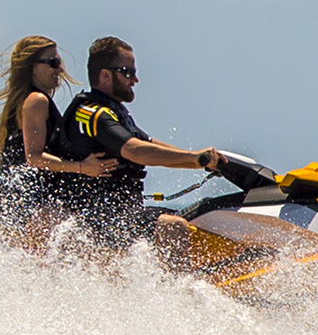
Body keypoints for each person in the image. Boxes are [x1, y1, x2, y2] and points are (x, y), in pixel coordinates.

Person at [60, 36, 223, 256]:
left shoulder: (114, 111)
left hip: (123, 214)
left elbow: (149, 144)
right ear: (105, 75)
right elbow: (134, 150)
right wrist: (195, 157)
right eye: (127, 72)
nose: (135, 79)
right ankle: (176, 291)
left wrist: (201, 161)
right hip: (99, 218)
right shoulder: (92, 113)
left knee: (204, 217)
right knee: (173, 227)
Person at [0, 35, 119, 246]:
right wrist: (83, 167)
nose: (60, 70)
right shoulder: (36, 101)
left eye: (60, 63)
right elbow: (34, 157)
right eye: (53, 63)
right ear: (32, 66)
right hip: (30, 204)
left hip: (17, 202)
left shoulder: (27, 100)